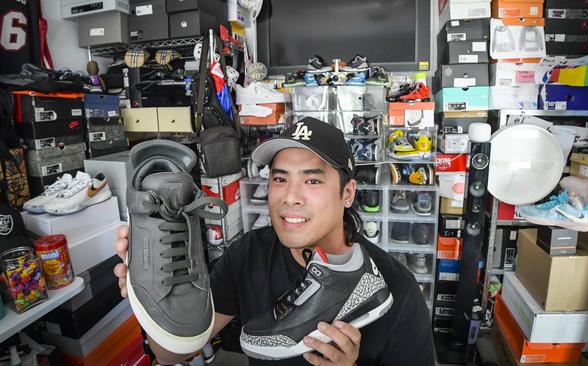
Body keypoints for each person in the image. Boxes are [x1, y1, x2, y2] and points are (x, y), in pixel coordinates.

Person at [113, 117, 434, 365]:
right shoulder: (248, 253)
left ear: (347, 193)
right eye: (280, 179)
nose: (290, 197)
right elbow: (174, 353)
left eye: (312, 179)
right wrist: (149, 300)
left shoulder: (399, 292)